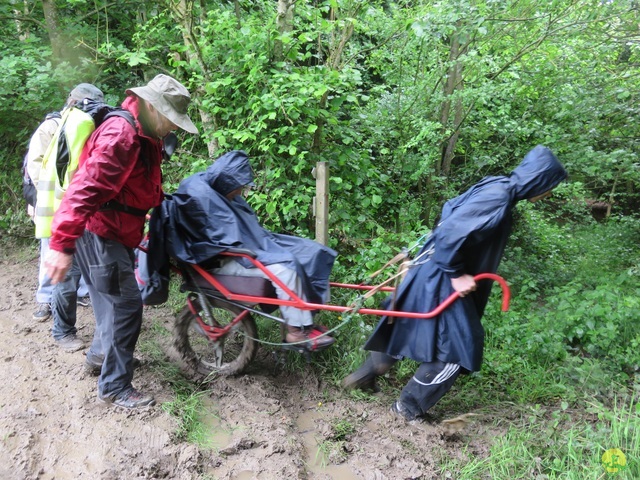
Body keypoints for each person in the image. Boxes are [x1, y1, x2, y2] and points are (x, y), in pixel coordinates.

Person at [342, 145, 567, 421]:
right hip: (441, 278)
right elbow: (449, 231)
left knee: (406, 322)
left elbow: (450, 210)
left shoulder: (498, 185)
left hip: (430, 271)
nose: (548, 194)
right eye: (550, 187)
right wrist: (455, 272)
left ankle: (366, 375)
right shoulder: (498, 196)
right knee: (460, 347)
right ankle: (406, 408)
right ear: (540, 179)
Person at [45, 74, 199, 409]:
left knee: (108, 302)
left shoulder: (145, 134)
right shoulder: (122, 136)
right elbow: (83, 190)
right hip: (101, 232)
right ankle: (115, 386)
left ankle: (101, 357)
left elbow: (138, 184)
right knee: (126, 306)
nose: (174, 128)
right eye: (172, 120)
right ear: (152, 107)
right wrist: (60, 245)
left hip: (111, 229)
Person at [146, 150, 336, 351]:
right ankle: (295, 331)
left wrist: (260, 243)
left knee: (313, 252)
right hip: (221, 260)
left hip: (245, 246)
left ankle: (307, 319)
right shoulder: (201, 197)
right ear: (228, 181)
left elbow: (239, 229)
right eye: (238, 187)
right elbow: (219, 239)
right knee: (286, 268)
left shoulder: (220, 189)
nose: (240, 192)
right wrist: (258, 249)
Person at [25, 85, 98, 324]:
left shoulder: (86, 126)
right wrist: (47, 195)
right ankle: (45, 299)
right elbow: (35, 164)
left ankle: (81, 294)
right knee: (52, 251)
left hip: (75, 203)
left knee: (82, 251)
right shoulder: (52, 126)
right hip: (51, 202)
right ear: (73, 102)